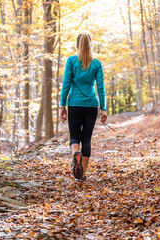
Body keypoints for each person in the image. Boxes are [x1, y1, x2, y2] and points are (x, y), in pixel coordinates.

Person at [60, 33, 107, 183]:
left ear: (77, 45)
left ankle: (76, 154)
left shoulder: (72, 61)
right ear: (90, 45)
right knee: (86, 139)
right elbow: (100, 87)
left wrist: (62, 105)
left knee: (74, 137)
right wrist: (103, 108)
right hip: (91, 105)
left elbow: (66, 84)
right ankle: (81, 175)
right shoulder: (97, 64)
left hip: (74, 103)